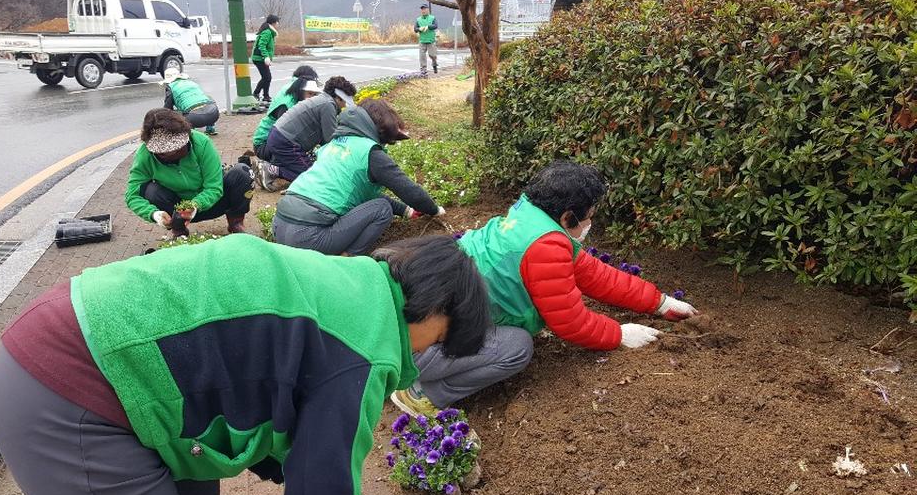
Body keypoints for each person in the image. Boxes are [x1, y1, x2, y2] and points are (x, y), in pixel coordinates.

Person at [0, 233, 490, 495]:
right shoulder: (367, 347)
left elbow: (265, 383)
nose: (428, 355)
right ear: (436, 308)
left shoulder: (354, 284)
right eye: (442, 340)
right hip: (70, 389)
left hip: (96, 348)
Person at [391, 160, 702, 416]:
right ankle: (421, 392)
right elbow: (571, 324)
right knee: (517, 347)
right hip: (420, 345)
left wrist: (659, 303)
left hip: (419, 319)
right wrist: (620, 335)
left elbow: (595, 275)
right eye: (589, 217)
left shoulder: (531, 218)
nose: (590, 223)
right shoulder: (545, 247)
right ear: (568, 217)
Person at [274, 99, 445, 256]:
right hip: (310, 238)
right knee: (383, 209)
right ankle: (347, 259)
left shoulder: (333, 144)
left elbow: (365, 196)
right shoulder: (371, 153)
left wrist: (406, 211)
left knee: (371, 204)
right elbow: (409, 190)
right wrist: (434, 209)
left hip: (280, 227)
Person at [126, 108, 253, 237]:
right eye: (164, 153)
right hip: (177, 211)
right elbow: (132, 196)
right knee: (151, 191)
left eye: (177, 149)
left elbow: (214, 187)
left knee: (242, 173)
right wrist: (153, 214)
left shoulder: (201, 143)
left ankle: (235, 222)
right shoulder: (145, 156)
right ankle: (179, 230)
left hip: (214, 203)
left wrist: (195, 205)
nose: (172, 154)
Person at [261, 76, 357, 184]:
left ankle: (275, 167)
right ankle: (273, 170)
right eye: (345, 101)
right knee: (312, 176)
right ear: (339, 97)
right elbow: (329, 139)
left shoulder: (322, 100)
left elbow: (323, 137)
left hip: (279, 137)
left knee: (308, 169)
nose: (345, 105)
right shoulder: (328, 105)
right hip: (286, 141)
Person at [252, 65, 320, 162]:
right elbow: (283, 137)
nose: (313, 96)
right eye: (310, 92)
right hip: (263, 145)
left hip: (269, 142)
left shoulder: (293, 89)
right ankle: (276, 170)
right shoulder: (288, 103)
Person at [160, 67, 219, 135]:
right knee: (207, 100)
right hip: (214, 114)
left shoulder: (170, 87)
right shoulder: (191, 83)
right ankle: (210, 128)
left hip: (194, 119)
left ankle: (191, 131)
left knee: (175, 113)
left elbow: (167, 109)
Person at [251, 14, 279, 103]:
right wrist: (266, 56)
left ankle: (265, 96)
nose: (278, 24)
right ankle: (256, 93)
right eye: (277, 22)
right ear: (274, 23)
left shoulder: (269, 32)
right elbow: (261, 45)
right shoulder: (267, 32)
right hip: (259, 58)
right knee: (267, 77)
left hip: (260, 58)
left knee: (267, 77)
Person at [415, 4, 438, 74]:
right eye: (422, 9)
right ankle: (423, 69)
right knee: (422, 56)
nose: (423, 10)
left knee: (432, 55)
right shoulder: (418, 19)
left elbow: (435, 26)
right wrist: (419, 29)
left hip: (431, 40)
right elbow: (415, 29)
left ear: (428, 10)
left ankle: (434, 64)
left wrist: (428, 27)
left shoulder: (432, 18)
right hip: (422, 40)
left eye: (424, 9)